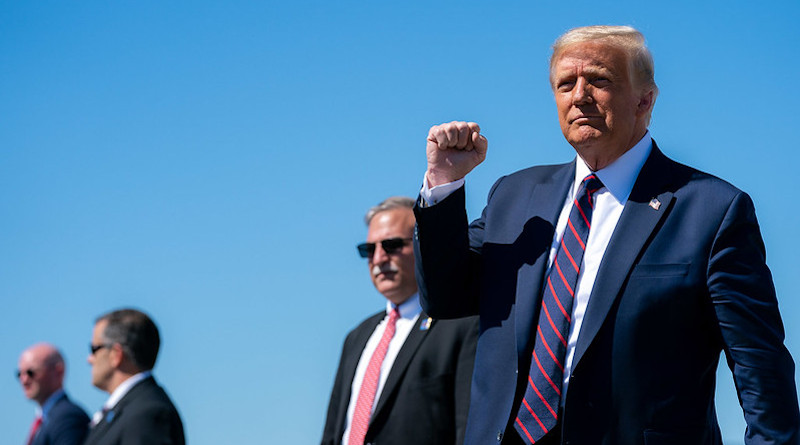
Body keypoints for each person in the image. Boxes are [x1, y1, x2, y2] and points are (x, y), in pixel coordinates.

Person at [414, 25, 799, 445]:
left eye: (599, 80)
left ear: (644, 99)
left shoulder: (712, 209)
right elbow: (445, 298)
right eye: (565, 84)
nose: (579, 96)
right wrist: (444, 182)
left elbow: (760, 371)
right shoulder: (514, 195)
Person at [321, 196, 479, 445]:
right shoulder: (357, 337)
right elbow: (332, 432)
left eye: (392, 245)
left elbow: (469, 425)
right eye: (369, 250)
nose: (379, 259)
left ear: (422, 244)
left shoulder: (460, 323)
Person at [83, 308, 185, 445]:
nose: (89, 359)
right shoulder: (129, 410)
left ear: (116, 355)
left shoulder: (146, 414)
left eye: (94, 349)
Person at [17, 343, 90, 445]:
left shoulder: (68, 417)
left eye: (30, 373)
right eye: (19, 374)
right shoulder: (43, 421)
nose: (24, 380)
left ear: (58, 371)